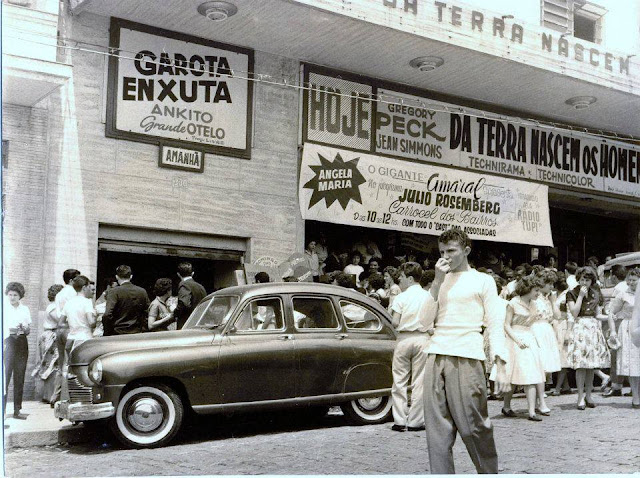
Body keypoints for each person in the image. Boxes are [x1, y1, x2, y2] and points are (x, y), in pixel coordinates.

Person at [421, 229, 509, 474]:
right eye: (442, 252)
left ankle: (488, 472)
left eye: (451, 251)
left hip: (467, 356)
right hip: (436, 354)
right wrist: (436, 283)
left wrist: (500, 365)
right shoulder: (439, 280)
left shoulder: (483, 280)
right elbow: (424, 322)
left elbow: (495, 324)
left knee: (474, 428)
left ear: (466, 250)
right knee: (437, 434)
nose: (445, 256)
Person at [389, 262, 433, 432]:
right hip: (423, 338)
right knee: (419, 381)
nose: (399, 280)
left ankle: (399, 420)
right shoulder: (428, 296)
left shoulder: (401, 297)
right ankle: (415, 421)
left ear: (409, 278)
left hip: (404, 338)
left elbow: (395, 322)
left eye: (401, 277)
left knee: (399, 380)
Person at [499, 276, 549, 421]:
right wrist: (517, 340)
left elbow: (530, 324)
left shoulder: (534, 304)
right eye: (536, 290)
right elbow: (506, 325)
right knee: (513, 375)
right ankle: (506, 406)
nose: (538, 293)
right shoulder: (513, 303)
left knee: (531, 374)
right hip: (515, 339)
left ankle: (531, 411)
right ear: (527, 289)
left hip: (529, 338)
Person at [566, 267, 610, 410]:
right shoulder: (572, 293)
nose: (584, 283)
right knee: (581, 365)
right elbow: (574, 312)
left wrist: (610, 317)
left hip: (592, 328)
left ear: (592, 281)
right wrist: (580, 296)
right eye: (582, 279)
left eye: (587, 280)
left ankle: (589, 395)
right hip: (580, 328)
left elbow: (597, 314)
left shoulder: (595, 294)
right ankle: (580, 397)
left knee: (591, 366)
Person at [607, 268, 639, 408]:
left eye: (634, 280)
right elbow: (611, 313)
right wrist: (613, 331)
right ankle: (636, 397)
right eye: (629, 280)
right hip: (629, 328)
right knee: (633, 364)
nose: (631, 283)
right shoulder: (623, 294)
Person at [3, 282, 32, 420]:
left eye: (15, 295)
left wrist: (24, 328)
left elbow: (28, 330)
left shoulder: (24, 309)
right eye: (10, 295)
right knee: (5, 376)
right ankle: (2, 411)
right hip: (8, 342)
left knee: (19, 376)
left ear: (20, 296)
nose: (12, 297)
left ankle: (17, 410)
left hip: (21, 342)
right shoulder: (4, 308)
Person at [531, 270, 562, 394]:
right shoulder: (534, 298)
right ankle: (539, 392)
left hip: (546, 329)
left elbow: (557, 316)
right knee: (539, 361)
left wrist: (553, 301)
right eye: (549, 283)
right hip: (536, 329)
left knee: (545, 362)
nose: (551, 286)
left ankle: (541, 391)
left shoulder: (548, 299)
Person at [32, 284, 64, 404]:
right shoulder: (54, 307)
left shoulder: (52, 306)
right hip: (52, 335)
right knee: (53, 364)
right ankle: (50, 395)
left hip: (48, 335)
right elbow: (60, 320)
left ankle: (48, 394)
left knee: (49, 364)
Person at [103, 265, 151, 335]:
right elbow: (148, 311)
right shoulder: (142, 291)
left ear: (117, 277)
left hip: (118, 332)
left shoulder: (114, 292)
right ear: (131, 276)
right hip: (137, 332)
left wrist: (107, 332)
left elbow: (107, 315)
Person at [60, 275, 97, 354]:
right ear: (84, 287)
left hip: (71, 339)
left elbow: (61, 323)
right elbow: (91, 322)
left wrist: (73, 325)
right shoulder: (87, 302)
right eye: (88, 287)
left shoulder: (69, 302)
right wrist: (96, 318)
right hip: (84, 338)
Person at [550, 277, 573, 395]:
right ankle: (566, 386)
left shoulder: (565, 297)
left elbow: (563, 315)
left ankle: (558, 388)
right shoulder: (556, 295)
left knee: (562, 358)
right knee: (559, 357)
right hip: (556, 326)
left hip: (562, 326)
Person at [174, 262, 207, 329]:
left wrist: (174, 313)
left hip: (186, 324)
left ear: (178, 274)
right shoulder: (201, 286)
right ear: (192, 273)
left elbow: (184, 303)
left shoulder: (184, 285)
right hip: (200, 323)